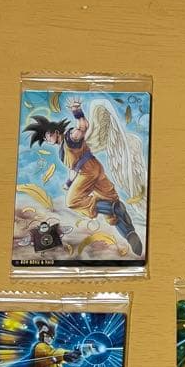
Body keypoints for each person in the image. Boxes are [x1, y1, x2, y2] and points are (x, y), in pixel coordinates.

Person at [24, 97, 142, 255]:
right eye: (45, 139)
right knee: (111, 205)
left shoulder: (70, 138)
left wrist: (76, 110)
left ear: (56, 132)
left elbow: (83, 127)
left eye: (47, 135)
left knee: (73, 201)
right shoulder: (63, 148)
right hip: (95, 170)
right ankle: (130, 234)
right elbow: (74, 168)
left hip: (88, 172)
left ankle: (113, 207)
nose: (47, 139)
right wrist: (68, 182)